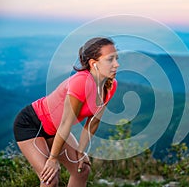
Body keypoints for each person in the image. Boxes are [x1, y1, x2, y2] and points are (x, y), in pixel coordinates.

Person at [13, 37, 119, 186]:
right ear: (93, 63)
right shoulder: (80, 83)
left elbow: (93, 123)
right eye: (110, 60)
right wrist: (53, 158)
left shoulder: (110, 85)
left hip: (56, 129)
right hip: (31, 124)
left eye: (116, 59)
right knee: (50, 178)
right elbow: (65, 123)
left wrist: (81, 151)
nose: (117, 64)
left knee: (82, 169)